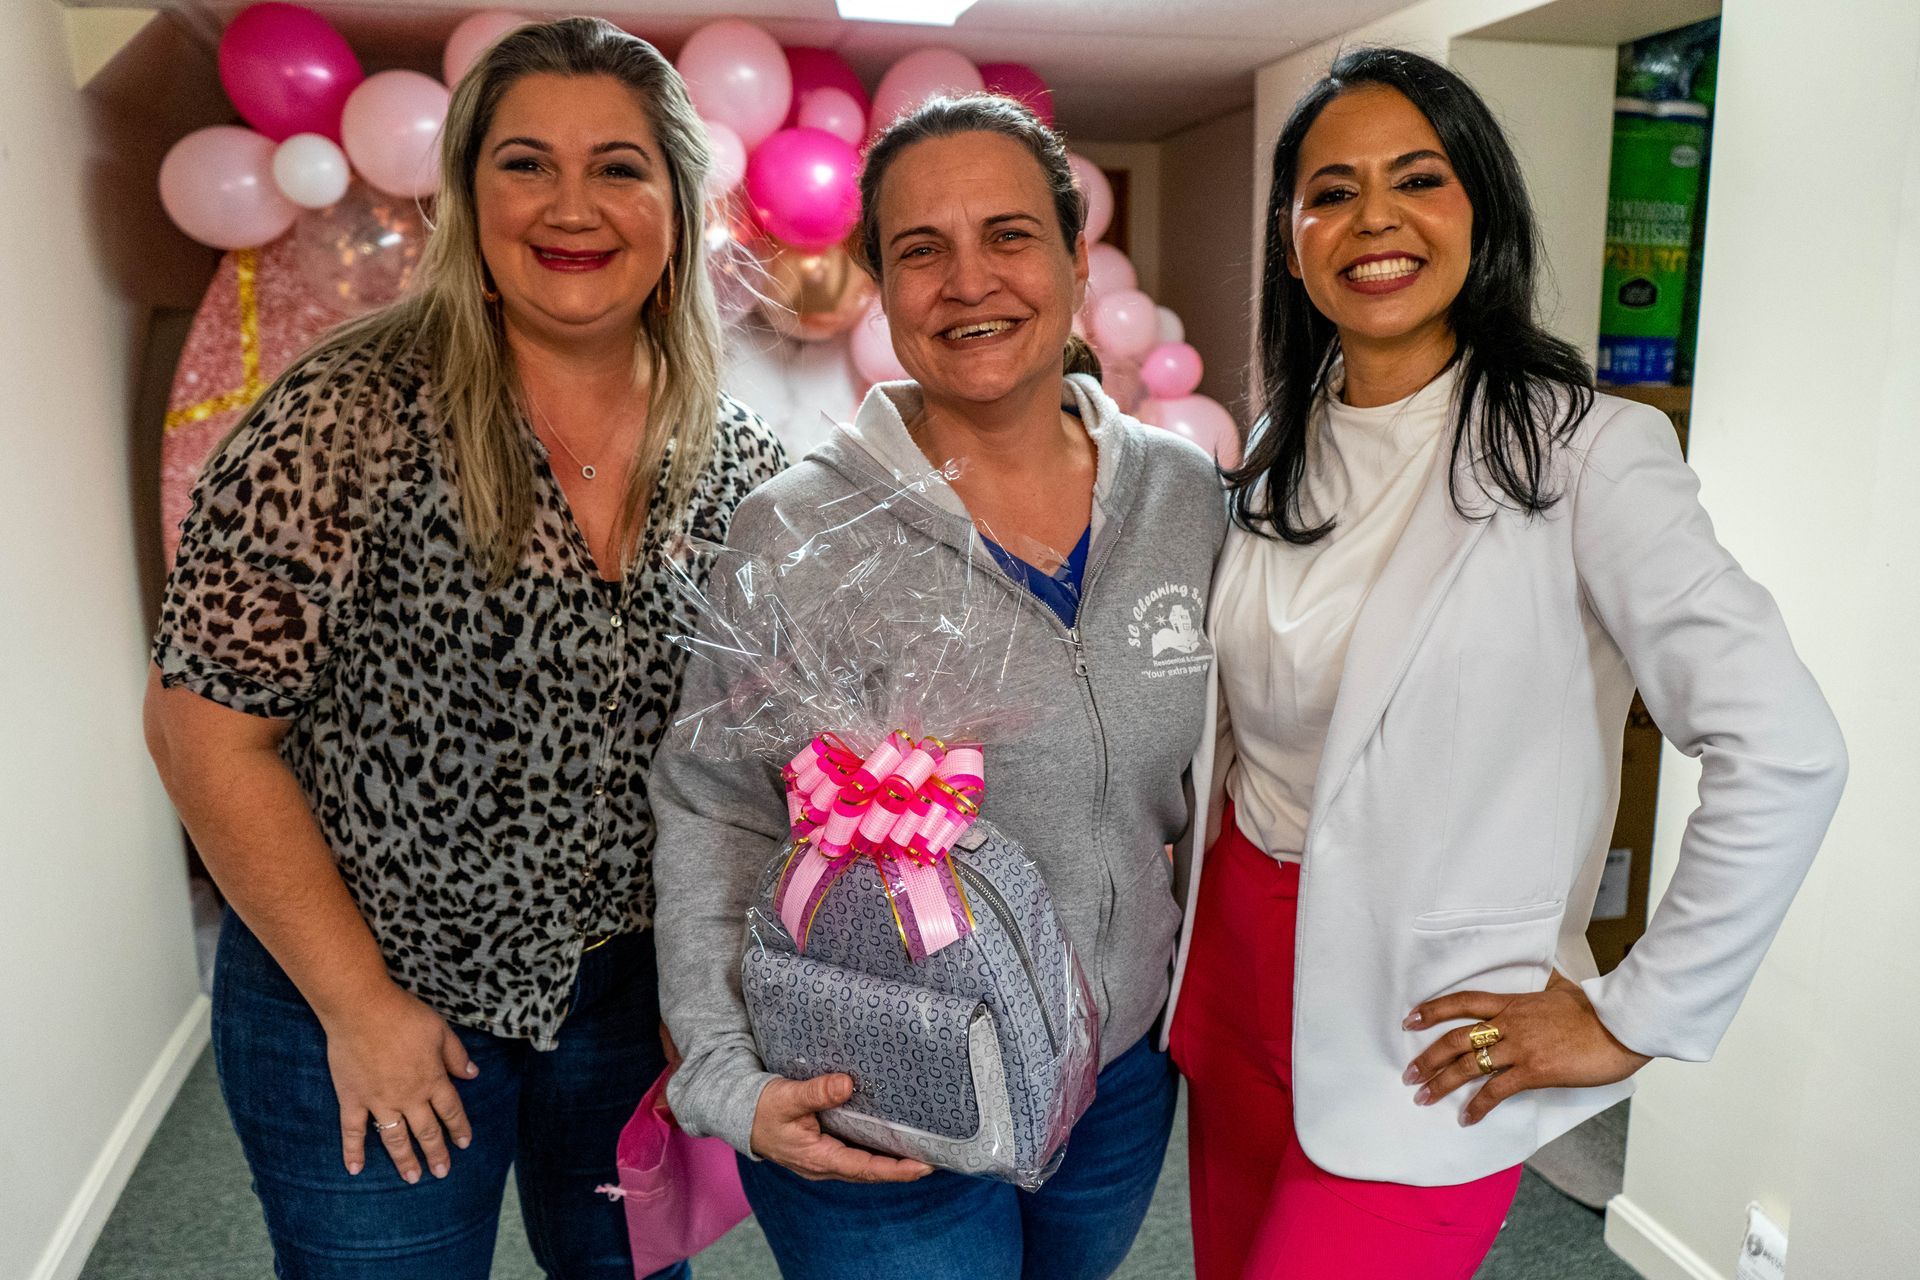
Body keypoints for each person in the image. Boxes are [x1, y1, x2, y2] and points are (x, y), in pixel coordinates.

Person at [1167, 46, 1847, 1279]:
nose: (1372, 217)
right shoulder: (1283, 439)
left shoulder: (1590, 454)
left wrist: (1635, 1014)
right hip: (1237, 968)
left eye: (1416, 178)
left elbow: (1785, 745)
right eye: (1331, 191)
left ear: (1480, 208)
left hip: (1425, 1017)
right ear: (1290, 238)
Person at [142, 19, 784, 1279]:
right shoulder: (347, 413)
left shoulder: (738, 462)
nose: (572, 206)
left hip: (621, 1005)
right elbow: (204, 729)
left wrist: (703, 986)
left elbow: (727, 758)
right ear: (466, 194)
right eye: (525, 163)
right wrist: (357, 1001)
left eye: (619, 167)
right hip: (363, 985)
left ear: (676, 199)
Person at [651, 94, 1226, 1280]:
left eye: (1010, 236)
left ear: (1074, 259)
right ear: (878, 281)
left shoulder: (1188, 501)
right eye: (921, 249)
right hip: (876, 1081)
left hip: (1116, 1072)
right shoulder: (800, 531)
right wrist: (721, 1068)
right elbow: (714, 803)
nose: (970, 281)